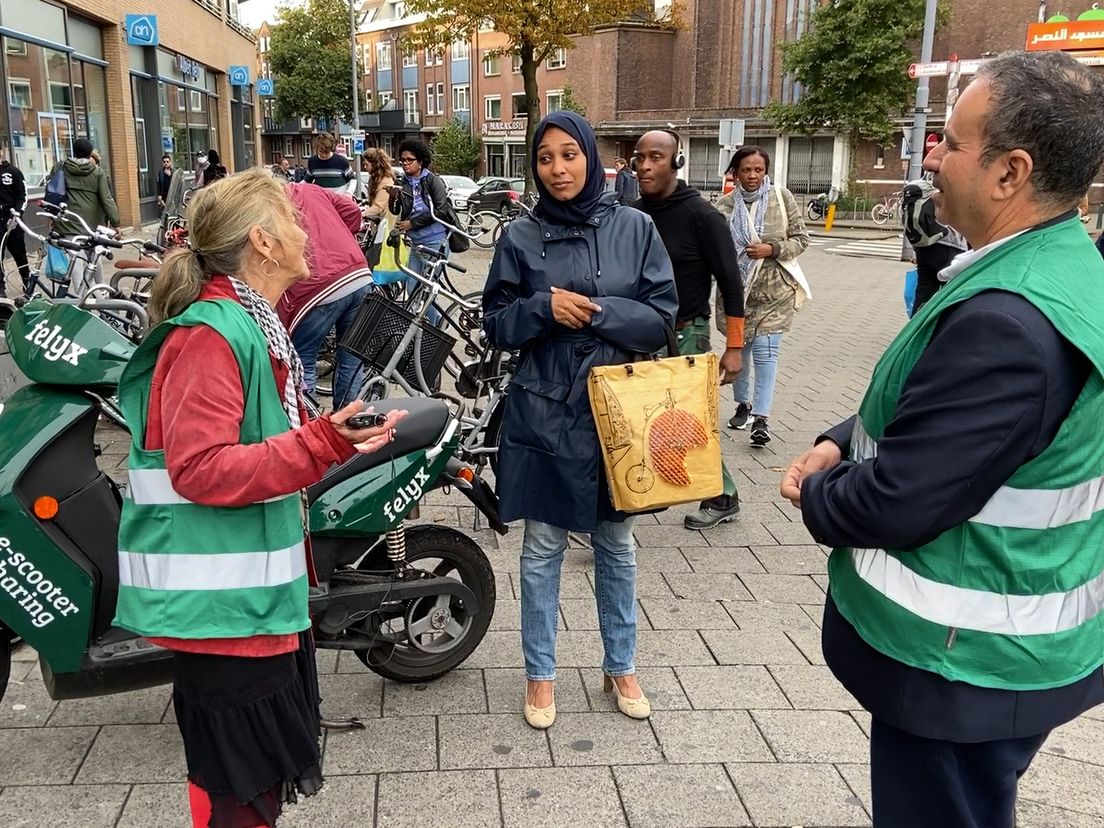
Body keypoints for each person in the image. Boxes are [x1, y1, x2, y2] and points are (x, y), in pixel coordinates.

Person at [780, 51, 1104, 828]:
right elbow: (940, 419)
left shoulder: (1008, 323)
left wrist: (817, 492)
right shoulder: (1056, 267)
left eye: (952, 141)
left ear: (1009, 173)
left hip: (964, 665)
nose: (930, 154)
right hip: (1003, 654)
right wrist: (837, 437)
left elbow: (903, 497)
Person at [114, 170, 405, 828]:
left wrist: (326, 438)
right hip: (227, 621)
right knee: (237, 799)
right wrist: (318, 445)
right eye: (295, 221)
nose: (308, 233)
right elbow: (201, 468)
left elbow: (244, 445)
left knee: (246, 791)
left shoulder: (252, 325)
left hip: (252, 610)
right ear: (264, 243)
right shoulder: (216, 335)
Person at [483, 111, 678, 730]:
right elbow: (495, 324)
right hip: (546, 408)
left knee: (615, 543)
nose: (558, 168)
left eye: (570, 154)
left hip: (619, 409)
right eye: (545, 158)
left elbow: (661, 318)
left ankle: (620, 662)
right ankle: (540, 674)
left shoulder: (636, 226)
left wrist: (593, 313)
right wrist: (542, 307)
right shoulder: (519, 236)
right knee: (542, 545)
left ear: (591, 158)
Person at [631, 130, 746, 531]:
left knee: (691, 418)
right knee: (639, 416)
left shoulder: (703, 216)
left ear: (676, 162)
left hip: (687, 333)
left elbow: (732, 283)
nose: (645, 165)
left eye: (656, 157)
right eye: (640, 157)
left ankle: (722, 494)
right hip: (640, 334)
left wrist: (735, 347)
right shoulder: (631, 214)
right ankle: (639, 493)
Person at [715, 146, 809, 448]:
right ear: (736, 173)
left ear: (765, 171)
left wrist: (773, 249)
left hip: (775, 292)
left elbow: (801, 239)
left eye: (758, 169)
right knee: (739, 352)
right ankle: (743, 404)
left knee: (766, 354)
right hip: (738, 294)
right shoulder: (724, 207)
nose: (753, 175)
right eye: (746, 170)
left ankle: (762, 418)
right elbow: (714, 250)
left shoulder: (782, 199)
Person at [279, 181, 374, 408]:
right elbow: (352, 211)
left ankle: (307, 424)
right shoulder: (311, 189)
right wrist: (339, 235)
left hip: (317, 286)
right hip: (357, 274)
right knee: (352, 358)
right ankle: (347, 425)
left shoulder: (269, 203)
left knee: (303, 358)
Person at [53, 137, 120, 291]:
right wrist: (116, 222)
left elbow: (53, 192)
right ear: (90, 154)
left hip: (68, 222)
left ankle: (79, 292)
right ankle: (100, 289)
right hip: (91, 224)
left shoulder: (61, 168)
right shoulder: (97, 173)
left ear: (73, 151)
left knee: (74, 257)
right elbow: (106, 198)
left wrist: (52, 217)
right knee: (94, 256)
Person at [394, 139, 450, 323]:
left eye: (409, 160)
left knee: (427, 289)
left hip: (434, 241)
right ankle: (426, 327)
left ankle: (432, 331)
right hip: (416, 244)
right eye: (402, 160)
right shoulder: (404, 183)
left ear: (420, 161)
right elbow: (397, 211)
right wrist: (393, 198)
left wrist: (412, 224)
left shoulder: (433, 181)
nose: (405, 163)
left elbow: (441, 211)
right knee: (411, 288)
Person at [902, 178, 967, 314]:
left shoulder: (927, 184)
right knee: (950, 291)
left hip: (924, 247)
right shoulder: (949, 186)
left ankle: (917, 327)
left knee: (924, 291)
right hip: (948, 245)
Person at [360, 148, 397, 268]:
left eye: (366, 164)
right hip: (379, 223)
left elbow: (378, 207)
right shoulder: (374, 179)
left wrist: (361, 213)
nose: (364, 166)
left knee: (375, 256)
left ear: (375, 164)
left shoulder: (385, 181)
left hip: (386, 224)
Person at [0, 148, 29, 297]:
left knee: (19, 254)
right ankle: (1, 289)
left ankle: (27, 280)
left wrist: (17, 215)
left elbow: (23, 196)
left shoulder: (13, 172)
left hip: (13, 220)